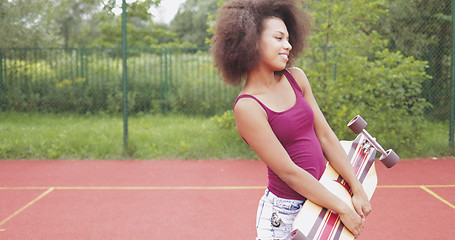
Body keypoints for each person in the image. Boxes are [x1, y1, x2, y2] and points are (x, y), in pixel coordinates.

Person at [211, 0, 372, 239]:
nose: (288, 45)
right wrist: (341, 208)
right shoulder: (247, 107)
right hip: (285, 215)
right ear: (252, 41)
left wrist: (356, 188)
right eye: (278, 38)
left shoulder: (297, 79)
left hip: (323, 199)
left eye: (288, 38)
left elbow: (326, 137)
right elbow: (289, 172)